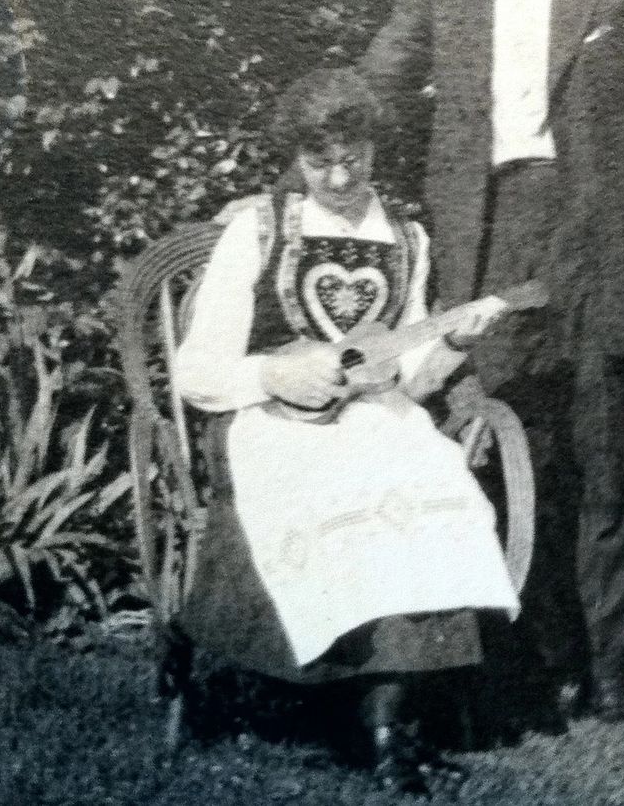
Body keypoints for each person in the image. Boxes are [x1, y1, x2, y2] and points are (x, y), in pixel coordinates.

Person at [358, 0, 624, 724]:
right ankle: (548, 661)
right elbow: (382, 72)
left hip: (600, 227)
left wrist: (622, 151)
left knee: (607, 447)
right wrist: (325, 157)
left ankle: (614, 673)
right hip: (491, 227)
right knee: (510, 445)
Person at [174, 68, 520, 794]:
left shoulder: (404, 237)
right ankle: (362, 716)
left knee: (428, 480)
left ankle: (391, 724)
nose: (338, 174)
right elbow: (197, 372)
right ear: (295, 157)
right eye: (318, 159)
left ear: (373, 148)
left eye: (353, 156)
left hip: (370, 414)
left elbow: (411, 378)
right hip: (266, 418)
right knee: (336, 487)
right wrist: (273, 376)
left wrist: (455, 341)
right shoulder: (257, 229)